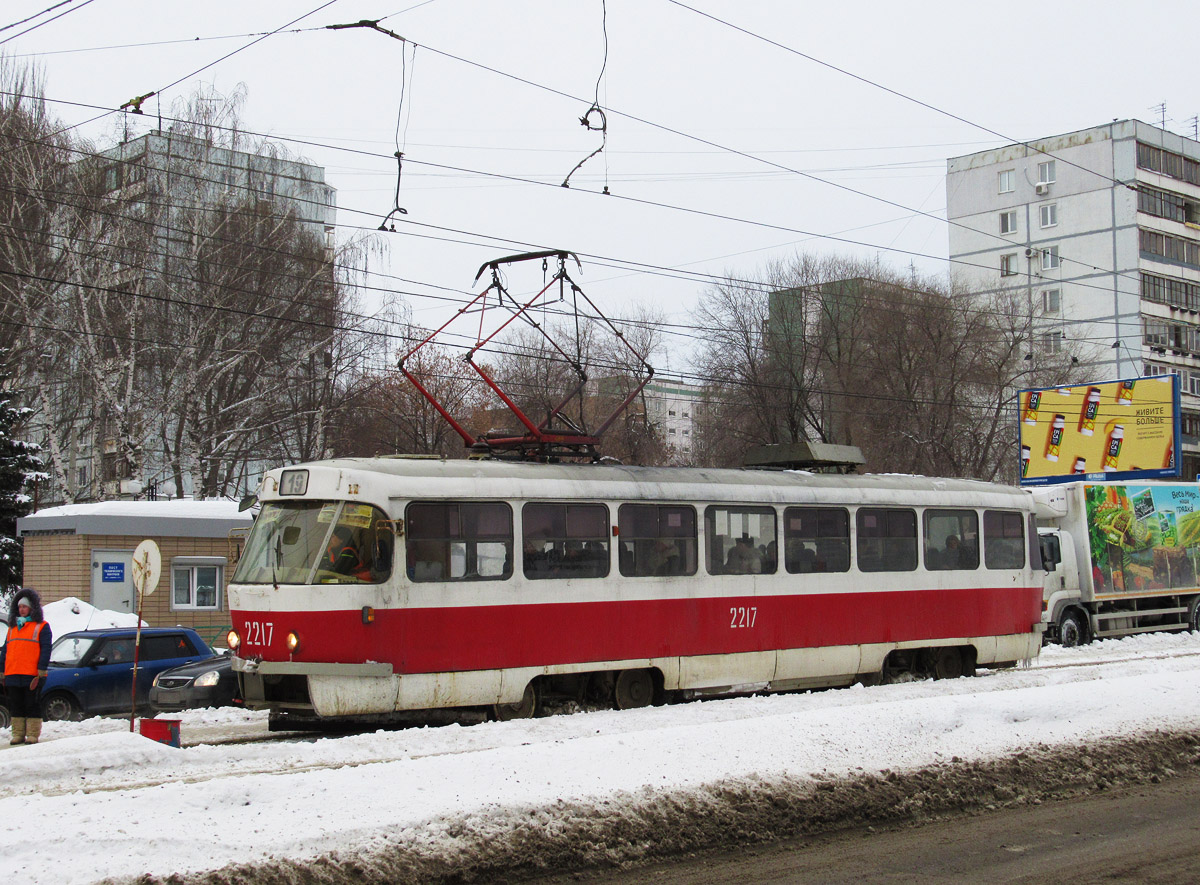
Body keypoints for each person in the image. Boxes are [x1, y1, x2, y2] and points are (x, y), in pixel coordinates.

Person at [1, 588, 52, 745]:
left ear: (32, 608)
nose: (21, 610)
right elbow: (5, 650)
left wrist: (41, 670)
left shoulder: (41, 627)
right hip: (13, 673)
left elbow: (45, 649)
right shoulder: (12, 627)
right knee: (16, 705)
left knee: (32, 704)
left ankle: (32, 734)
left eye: (24, 607)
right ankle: (18, 734)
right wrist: (2, 670)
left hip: (31, 674)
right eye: (20, 607)